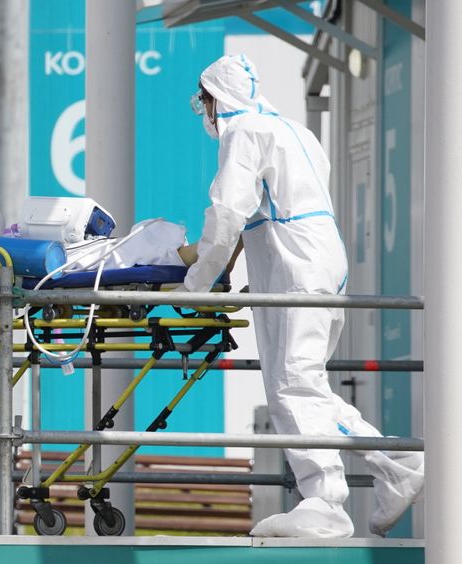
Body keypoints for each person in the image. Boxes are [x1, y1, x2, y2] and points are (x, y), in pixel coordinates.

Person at [181, 54, 424, 538]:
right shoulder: (295, 132)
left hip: (295, 268)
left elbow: (228, 215)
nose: (204, 114)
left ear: (216, 100)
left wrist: (195, 283)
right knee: (306, 386)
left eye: (203, 103)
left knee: (293, 385)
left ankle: (326, 502)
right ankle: (396, 462)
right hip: (318, 263)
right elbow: (264, 213)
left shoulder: (244, 133)